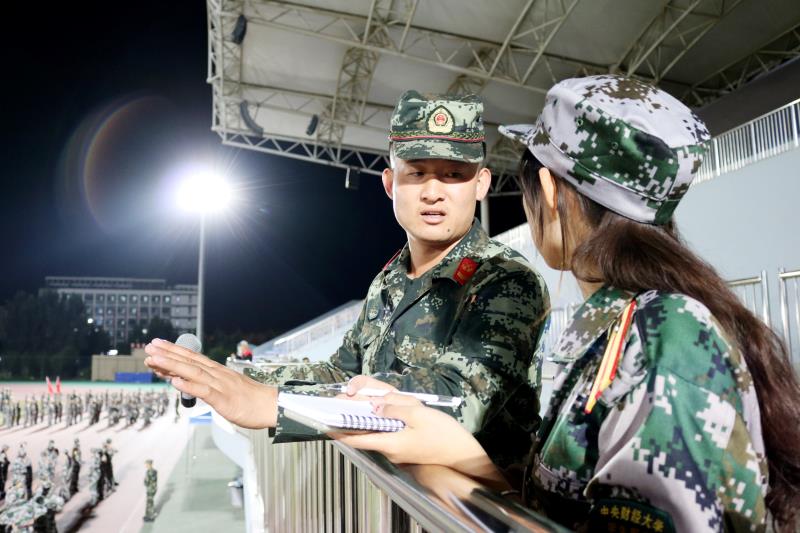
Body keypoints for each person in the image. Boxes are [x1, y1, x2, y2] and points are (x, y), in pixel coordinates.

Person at [328, 75, 800, 532]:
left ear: (549, 191)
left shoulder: (664, 339)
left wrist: (461, 473)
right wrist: (474, 463)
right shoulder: (637, 327)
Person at [144, 90, 550, 469]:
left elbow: (459, 401)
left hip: (474, 508)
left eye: (453, 174)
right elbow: (342, 373)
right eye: (416, 173)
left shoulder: (506, 280)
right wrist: (237, 380)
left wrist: (273, 405)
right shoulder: (389, 282)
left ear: (481, 184)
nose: (432, 192)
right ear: (390, 184)